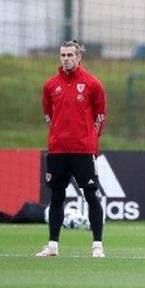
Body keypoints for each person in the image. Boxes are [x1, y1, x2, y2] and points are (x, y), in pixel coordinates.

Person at [36, 40, 108, 258]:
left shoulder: (92, 84)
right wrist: (60, 135)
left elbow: (100, 116)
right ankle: (52, 246)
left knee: (91, 195)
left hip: (83, 150)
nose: (66, 59)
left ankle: (97, 245)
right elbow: (49, 114)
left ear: (79, 58)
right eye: (63, 55)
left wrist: (89, 139)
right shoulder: (50, 86)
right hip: (58, 150)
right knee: (57, 197)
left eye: (70, 55)